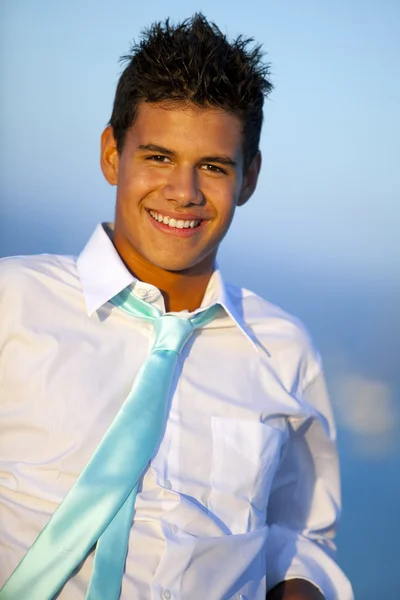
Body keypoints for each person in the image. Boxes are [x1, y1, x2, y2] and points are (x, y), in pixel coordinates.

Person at [0, 14, 353, 600]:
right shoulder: (12, 302)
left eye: (212, 167)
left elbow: (299, 536)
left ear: (249, 178)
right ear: (113, 153)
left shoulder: (283, 350)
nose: (183, 192)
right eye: (158, 157)